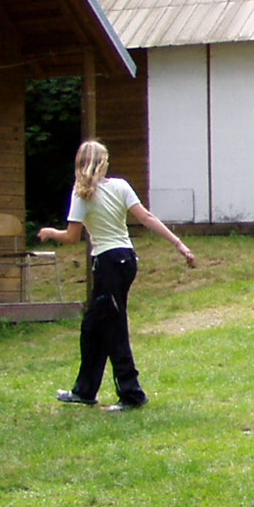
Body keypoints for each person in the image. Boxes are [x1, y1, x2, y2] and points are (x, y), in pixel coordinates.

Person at [38, 139, 196, 410]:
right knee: (92, 327)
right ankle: (84, 390)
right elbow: (146, 217)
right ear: (102, 162)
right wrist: (178, 244)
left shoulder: (82, 193)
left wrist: (50, 233)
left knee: (113, 328)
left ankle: (132, 394)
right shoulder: (120, 186)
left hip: (108, 263)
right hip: (126, 260)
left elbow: (72, 237)